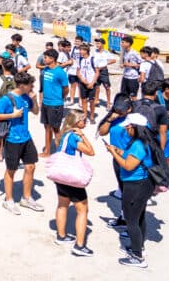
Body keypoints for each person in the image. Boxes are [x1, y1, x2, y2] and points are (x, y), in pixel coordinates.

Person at [104, 113, 154, 268]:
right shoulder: (145, 141)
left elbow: (128, 165)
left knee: (131, 220)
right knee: (139, 217)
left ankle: (137, 257)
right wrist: (118, 151)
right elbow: (131, 158)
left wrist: (113, 154)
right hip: (144, 184)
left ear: (134, 127)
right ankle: (139, 247)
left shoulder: (139, 144)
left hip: (135, 185)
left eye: (127, 126)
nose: (125, 129)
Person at [0, 72, 43, 215]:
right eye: (30, 85)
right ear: (22, 85)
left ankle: (26, 198)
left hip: (26, 137)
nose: (32, 87)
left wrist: (35, 100)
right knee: (11, 170)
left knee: (31, 166)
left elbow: (36, 112)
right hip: (11, 139)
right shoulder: (7, 99)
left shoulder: (27, 96)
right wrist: (12, 115)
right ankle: (9, 200)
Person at [52, 109, 95, 256]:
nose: (86, 122)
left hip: (60, 175)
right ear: (77, 122)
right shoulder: (74, 137)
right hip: (72, 177)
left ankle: (61, 236)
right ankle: (80, 245)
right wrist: (83, 136)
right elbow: (91, 151)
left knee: (62, 205)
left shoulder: (64, 134)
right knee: (83, 210)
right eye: (84, 119)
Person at [98, 93, 134, 206]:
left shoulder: (134, 119)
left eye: (121, 111)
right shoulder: (114, 118)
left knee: (130, 186)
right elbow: (102, 132)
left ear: (129, 109)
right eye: (117, 110)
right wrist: (109, 120)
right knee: (122, 184)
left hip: (131, 156)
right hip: (117, 157)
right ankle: (125, 211)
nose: (118, 113)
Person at [39, 49, 68, 158]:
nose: (44, 59)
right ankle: (47, 151)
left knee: (56, 129)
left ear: (52, 59)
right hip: (45, 103)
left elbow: (66, 89)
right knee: (46, 127)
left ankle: (61, 153)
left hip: (55, 104)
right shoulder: (45, 70)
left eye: (46, 57)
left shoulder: (60, 72)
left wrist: (59, 99)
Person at [77, 44, 100, 124]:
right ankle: (85, 116)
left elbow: (97, 72)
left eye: (82, 50)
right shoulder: (80, 59)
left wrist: (92, 83)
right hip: (83, 83)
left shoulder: (93, 59)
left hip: (91, 83)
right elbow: (78, 71)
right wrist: (82, 80)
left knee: (91, 101)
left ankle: (92, 116)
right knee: (83, 100)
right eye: (80, 50)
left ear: (86, 51)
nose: (80, 52)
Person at [92, 38, 116, 109]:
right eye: (96, 43)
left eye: (98, 43)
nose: (97, 45)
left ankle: (108, 102)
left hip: (103, 71)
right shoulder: (95, 51)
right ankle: (96, 100)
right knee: (96, 86)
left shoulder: (106, 52)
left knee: (107, 87)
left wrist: (105, 63)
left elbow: (114, 60)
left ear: (102, 44)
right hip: (96, 71)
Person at [120, 36, 142, 100]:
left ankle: (135, 109)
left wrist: (130, 64)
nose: (121, 44)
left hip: (133, 78)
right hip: (125, 76)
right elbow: (125, 63)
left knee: (133, 96)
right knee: (123, 95)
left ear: (128, 43)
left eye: (123, 42)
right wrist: (123, 65)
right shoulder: (124, 52)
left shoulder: (134, 53)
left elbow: (142, 64)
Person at [35, 42, 54, 107]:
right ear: (45, 48)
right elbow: (37, 66)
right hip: (43, 74)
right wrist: (45, 67)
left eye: (50, 48)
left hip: (52, 75)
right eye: (47, 48)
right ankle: (40, 103)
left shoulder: (55, 56)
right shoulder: (42, 56)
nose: (48, 50)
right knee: (42, 89)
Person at [66, 37, 83, 105]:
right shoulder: (72, 49)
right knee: (72, 85)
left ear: (81, 42)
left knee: (80, 86)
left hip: (80, 70)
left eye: (78, 41)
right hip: (72, 70)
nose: (76, 43)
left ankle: (80, 101)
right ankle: (72, 100)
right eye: (76, 41)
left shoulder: (83, 49)